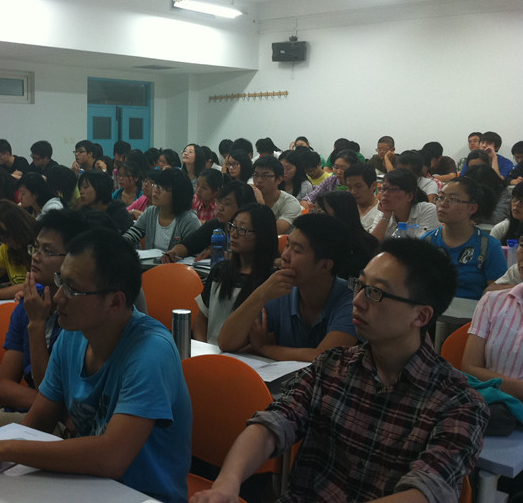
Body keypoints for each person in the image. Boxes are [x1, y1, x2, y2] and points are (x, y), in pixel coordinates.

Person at [192, 238, 489, 503]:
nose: (357, 301)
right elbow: (273, 424)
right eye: (359, 285)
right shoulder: (332, 366)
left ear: (421, 316)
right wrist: (227, 483)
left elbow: (426, 491)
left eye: (375, 293)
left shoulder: (459, 404)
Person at [0, 228, 192, 503]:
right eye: (61, 280)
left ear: (115, 301)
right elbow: (37, 423)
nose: (58, 297)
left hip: (142, 496)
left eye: (73, 289)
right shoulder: (73, 336)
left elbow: (111, 458)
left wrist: (4, 450)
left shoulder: (151, 352)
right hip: (85, 485)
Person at [0, 208, 87, 425]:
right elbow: (3, 388)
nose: (35, 257)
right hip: (31, 411)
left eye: (47, 251)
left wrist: (37, 324)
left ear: (74, 258)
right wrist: (54, 405)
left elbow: (55, 393)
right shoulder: (29, 302)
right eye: (35, 248)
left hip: (58, 426)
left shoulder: (79, 313)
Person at [216, 214, 357, 361]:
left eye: (296, 251)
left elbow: (325, 358)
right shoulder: (279, 291)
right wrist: (261, 294)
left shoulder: (351, 302)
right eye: (287, 245)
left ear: (325, 265)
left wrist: (265, 348)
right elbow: (226, 342)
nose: (284, 256)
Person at [196, 203, 278, 345]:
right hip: (210, 351)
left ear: (262, 235)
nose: (233, 234)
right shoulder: (220, 270)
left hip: (246, 356)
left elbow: (268, 337)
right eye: (233, 226)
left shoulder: (271, 281)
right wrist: (203, 349)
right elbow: (201, 319)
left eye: (242, 229)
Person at [423, 177, 507, 299]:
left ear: (472, 208)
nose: (443, 204)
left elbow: (497, 296)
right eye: (440, 197)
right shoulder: (427, 242)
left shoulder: (488, 246)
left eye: (452, 199)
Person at [463, 263, 523, 400]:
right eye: (521, 250)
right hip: (490, 402)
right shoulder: (492, 301)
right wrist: (517, 389)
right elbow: (470, 368)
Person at [163, 181, 256, 263]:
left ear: (243, 206)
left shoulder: (252, 229)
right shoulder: (216, 224)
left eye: (227, 203)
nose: (220, 208)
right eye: (219, 201)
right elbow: (189, 244)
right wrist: (174, 252)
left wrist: (221, 254)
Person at [123, 168, 201, 250]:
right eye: (156, 185)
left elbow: (194, 252)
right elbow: (133, 234)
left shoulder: (189, 221)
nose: (155, 191)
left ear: (177, 194)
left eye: (162, 188)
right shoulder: (151, 212)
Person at [316, 191, 379, 281]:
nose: (317, 217)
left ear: (339, 215)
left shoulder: (364, 247)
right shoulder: (321, 240)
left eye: (323, 212)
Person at [369, 168, 439, 240]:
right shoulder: (382, 214)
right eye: (384, 189)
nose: (385, 194)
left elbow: (426, 244)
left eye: (392, 189)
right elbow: (372, 244)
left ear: (409, 196)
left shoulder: (427, 210)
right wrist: (386, 216)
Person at [251, 156, 302, 234]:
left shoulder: (290, 203)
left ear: (279, 179)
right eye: (256, 175)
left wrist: (260, 205)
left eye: (265, 176)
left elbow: (272, 233)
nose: (259, 180)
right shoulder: (249, 196)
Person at [343, 162, 380, 231]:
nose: (353, 192)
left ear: (373, 185)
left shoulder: (381, 213)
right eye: (349, 187)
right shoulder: (345, 209)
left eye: (358, 186)